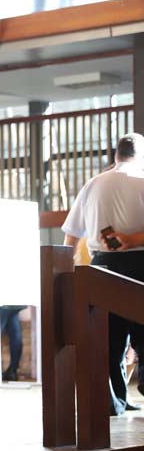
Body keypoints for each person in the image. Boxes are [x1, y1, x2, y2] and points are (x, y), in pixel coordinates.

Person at [62, 133, 144, 415]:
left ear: (115, 155)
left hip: (102, 266)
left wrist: (63, 270)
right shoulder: (143, 179)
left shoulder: (93, 183)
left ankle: (114, 400)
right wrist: (132, 240)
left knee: (109, 336)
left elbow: (71, 235)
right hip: (140, 263)